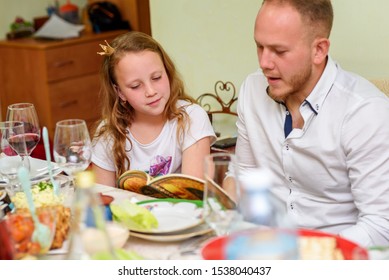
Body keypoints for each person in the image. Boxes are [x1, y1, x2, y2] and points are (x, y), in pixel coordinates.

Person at [235, 0, 389, 247]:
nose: (264, 62)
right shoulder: (251, 90)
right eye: (259, 46)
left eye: (279, 51)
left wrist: (302, 255)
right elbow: (246, 178)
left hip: (340, 258)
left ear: (319, 50)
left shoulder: (365, 112)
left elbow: (381, 226)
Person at [91, 31, 216, 187]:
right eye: (136, 86)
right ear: (120, 92)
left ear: (168, 72)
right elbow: (102, 199)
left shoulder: (191, 117)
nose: (151, 91)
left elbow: (195, 194)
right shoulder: (107, 133)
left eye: (157, 77)